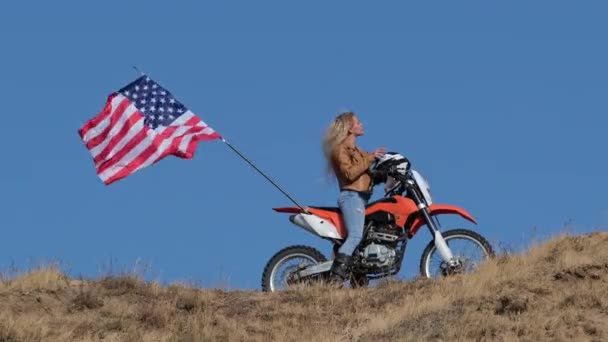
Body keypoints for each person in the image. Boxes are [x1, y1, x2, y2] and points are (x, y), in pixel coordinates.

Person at [322, 111, 385, 282]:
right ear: (349, 128)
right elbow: (349, 174)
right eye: (358, 122)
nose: (361, 125)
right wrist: (371, 158)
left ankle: (357, 279)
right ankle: (334, 278)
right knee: (356, 236)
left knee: (364, 240)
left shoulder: (358, 151)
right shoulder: (339, 149)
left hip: (361, 199)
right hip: (351, 197)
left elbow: (367, 174)